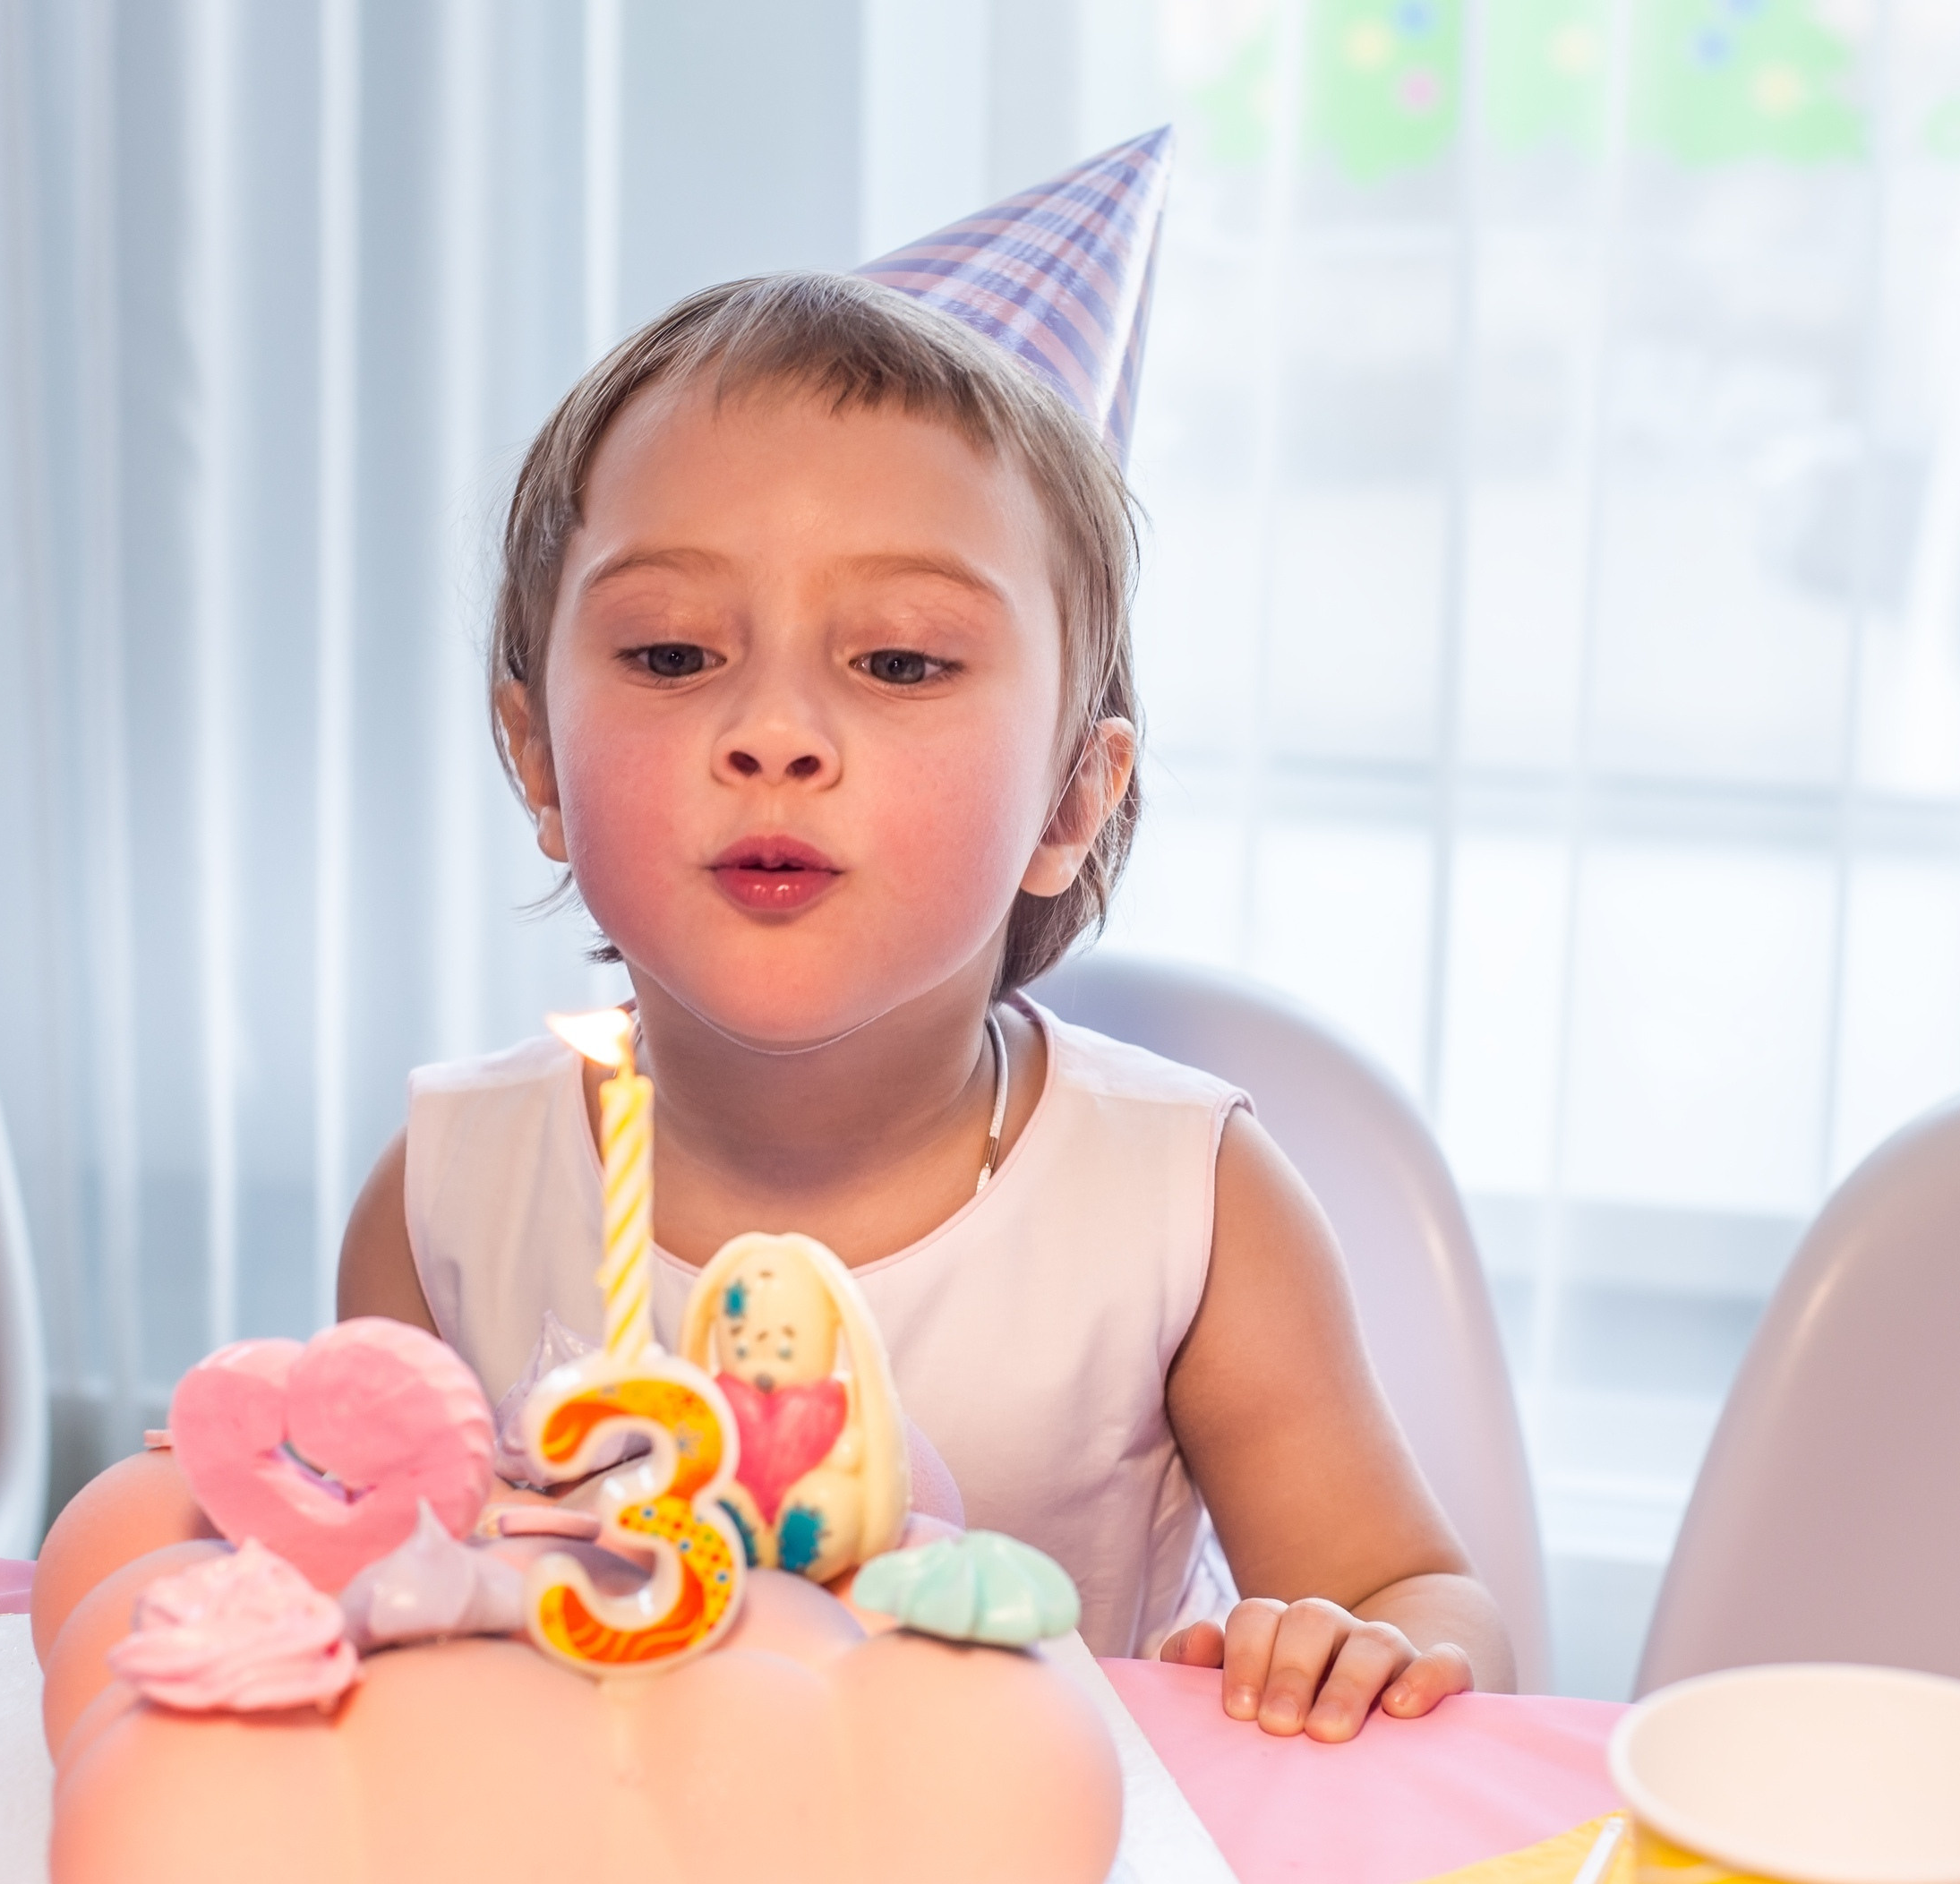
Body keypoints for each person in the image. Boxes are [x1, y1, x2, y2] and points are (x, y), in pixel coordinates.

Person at [343, 139, 1513, 1743]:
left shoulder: (1187, 1208)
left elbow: (1418, 1605)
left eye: (898, 662)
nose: (772, 731)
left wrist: (1357, 1649)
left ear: (1070, 797)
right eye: (674, 649)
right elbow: (378, 1601)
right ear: (535, 758)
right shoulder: (445, 1194)